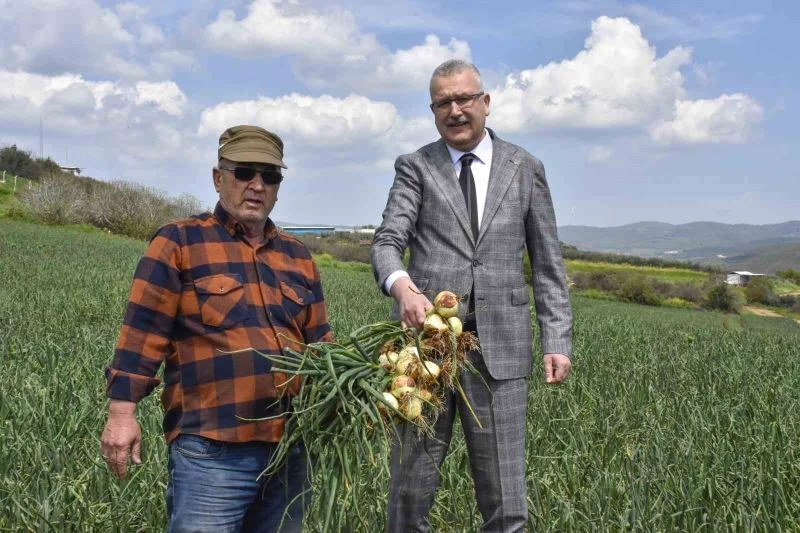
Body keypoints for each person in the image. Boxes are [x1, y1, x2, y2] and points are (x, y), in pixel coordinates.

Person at [371, 60, 573, 532]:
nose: (455, 110)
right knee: (409, 491)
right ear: (433, 111)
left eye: (464, 98)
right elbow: (386, 242)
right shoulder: (416, 166)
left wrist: (557, 339)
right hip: (426, 352)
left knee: (506, 499)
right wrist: (403, 287)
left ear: (485, 102)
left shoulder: (525, 167)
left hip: (501, 352)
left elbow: (547, 263)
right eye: (443, 102)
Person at [100, 125, 332, 532]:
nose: (257, 185)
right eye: (244, 173)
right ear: (217, 178)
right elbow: (142, 331)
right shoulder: (180, 241)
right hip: (212, 450)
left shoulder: (297, 256)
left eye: (270, 176)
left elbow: (321, 345)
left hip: (291, 449)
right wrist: (122, 414)